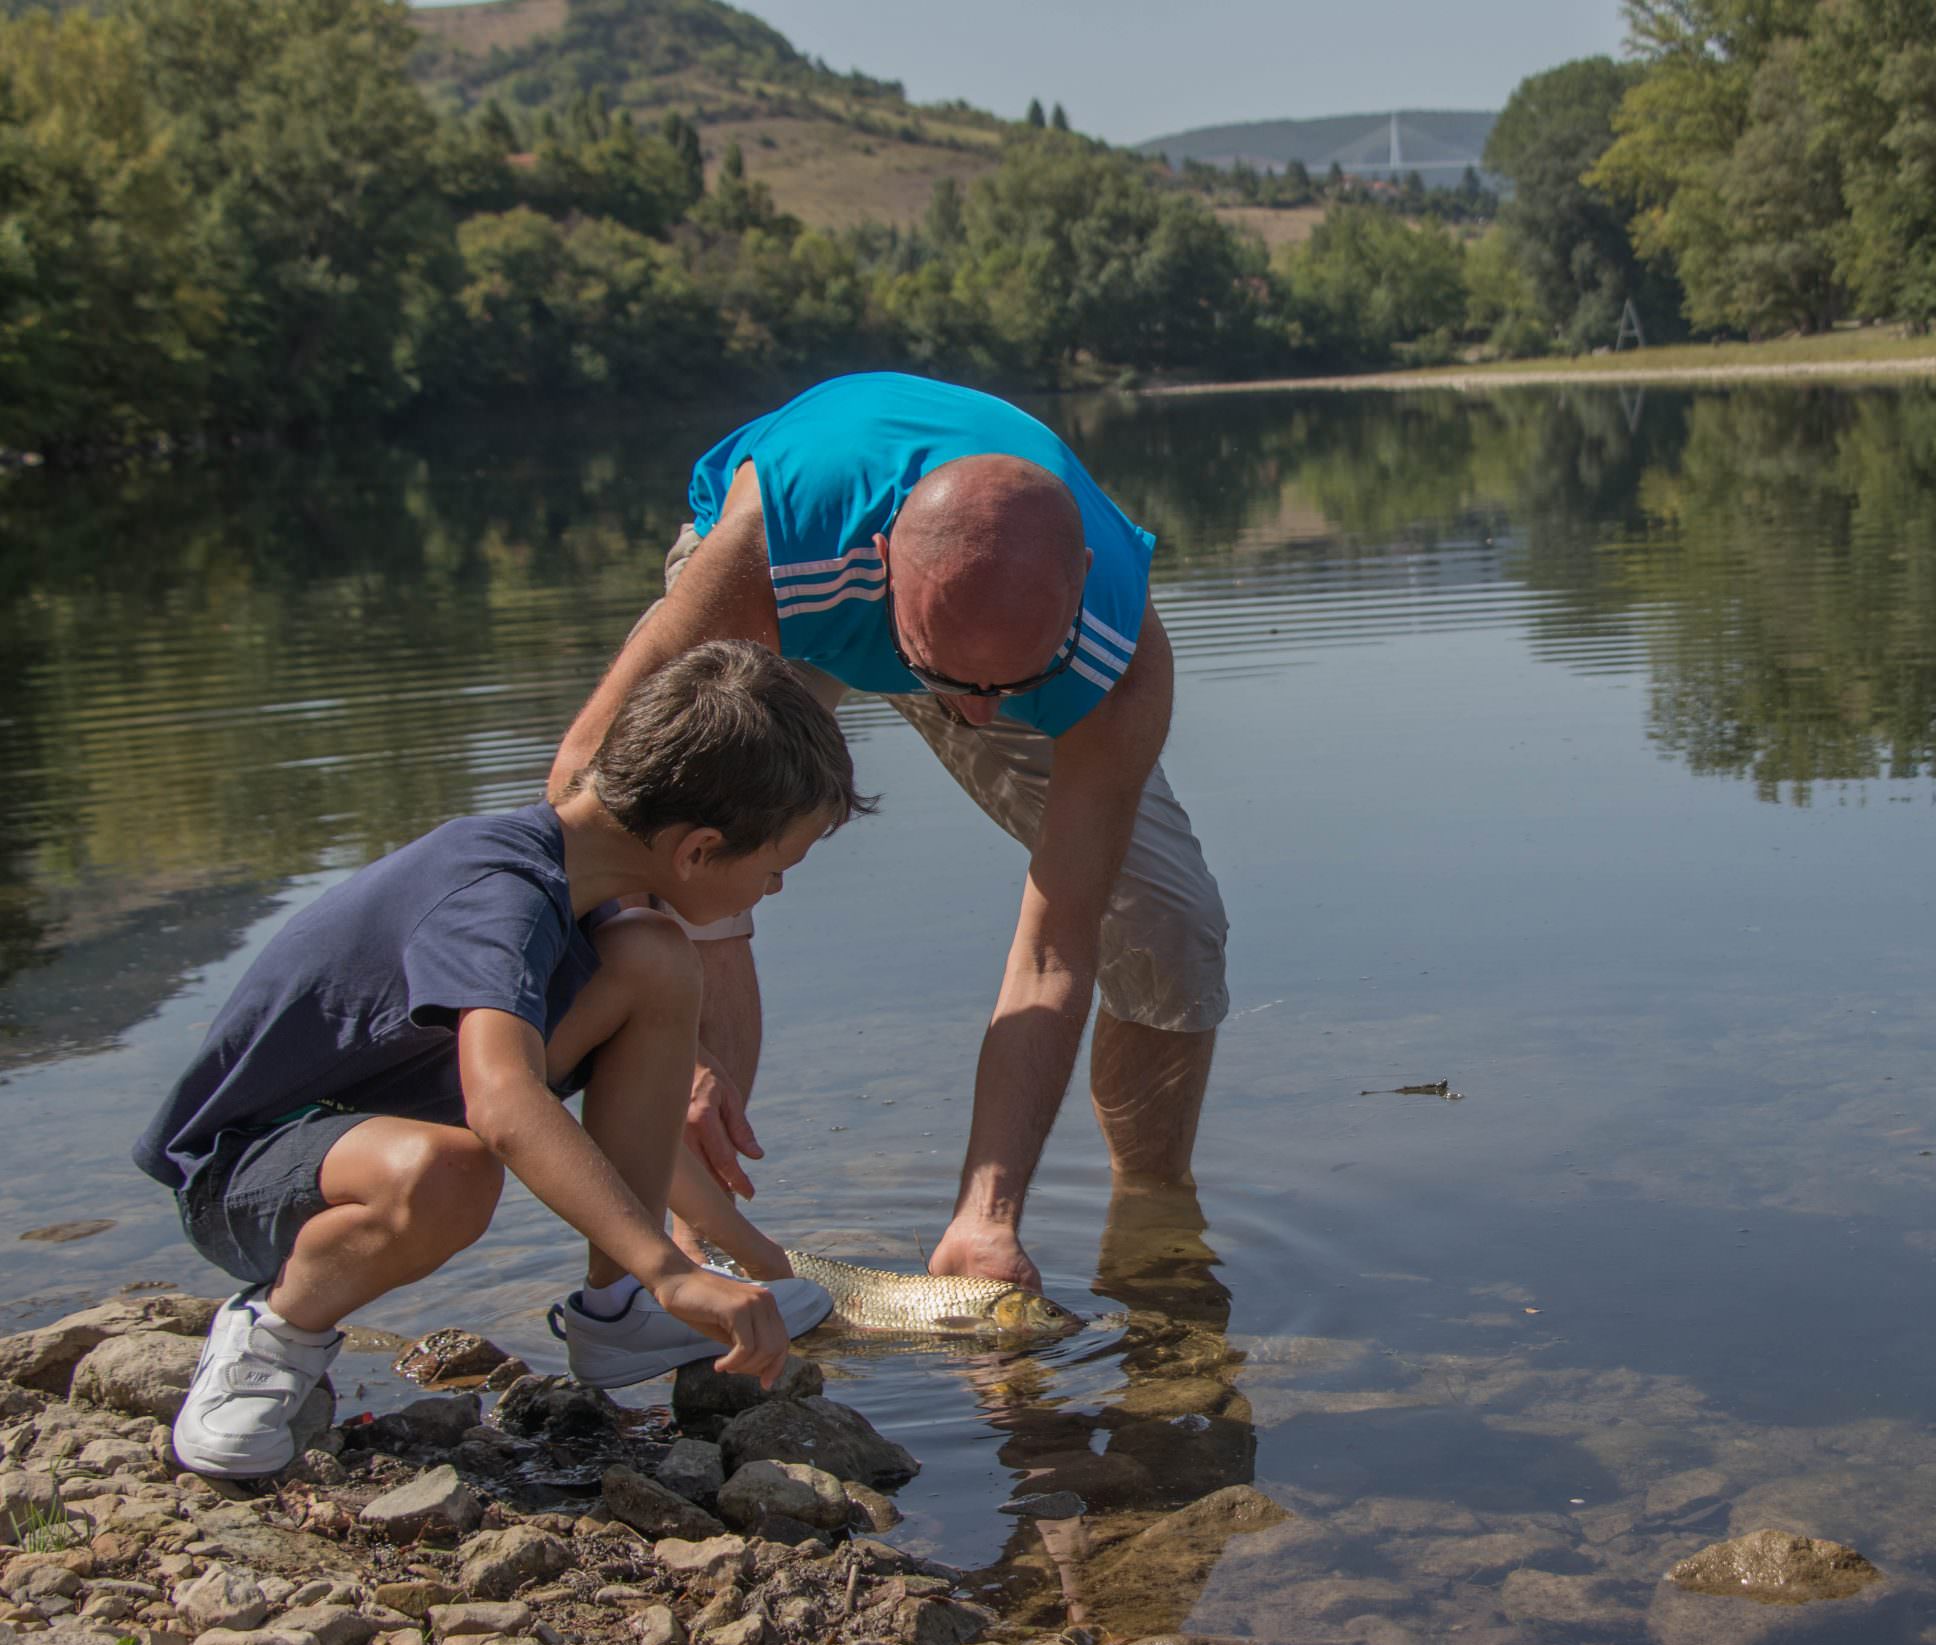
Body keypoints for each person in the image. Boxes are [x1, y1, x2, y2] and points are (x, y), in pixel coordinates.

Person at [547, 373, 1228, 1295]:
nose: (979, 720)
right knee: (688, 870)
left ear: (1076, 596)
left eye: (1010, 687)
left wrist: (988, 1215)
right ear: (886, 583)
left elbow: (1055, 942)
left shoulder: (1118, 652)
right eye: (949, 681)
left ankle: (1152, 1223)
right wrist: (677, 1039)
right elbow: (584, 783)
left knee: (1168, 929)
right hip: (794, 617)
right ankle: (685, 1257)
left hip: (978, 633)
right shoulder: (776, 550)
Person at [135, 642, 864, 1477]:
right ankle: (273, 1331)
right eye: (777, 868)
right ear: (697, 851)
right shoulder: (499, 900)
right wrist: (672, 1272)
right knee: (455, 1170)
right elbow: (505, 1104)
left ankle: (614, 1309)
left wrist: (750, 1257)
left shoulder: (578, 884)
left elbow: (626, 1132)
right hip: (248, 1175)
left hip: (367, 1136)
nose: (774, 889)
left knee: (656, 957)